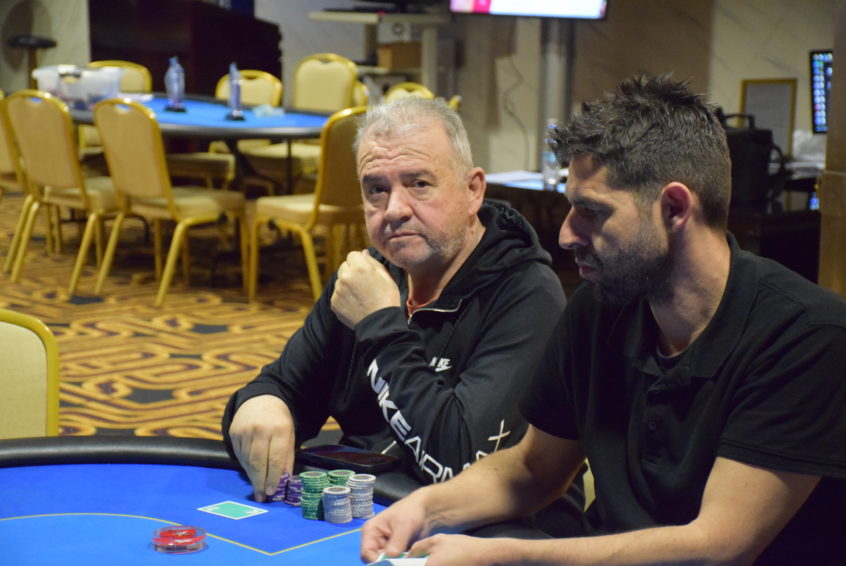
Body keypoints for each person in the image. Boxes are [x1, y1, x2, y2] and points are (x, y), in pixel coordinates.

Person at [360, 75, 846, 565]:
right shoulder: (600, 307)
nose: (566, 234)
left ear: (675, 208)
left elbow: (717, 547)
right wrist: (423, 508)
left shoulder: (807, 336)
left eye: (591, 212)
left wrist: (507, 557)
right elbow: (531, 469)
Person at [222, 97, 568, 503]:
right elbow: (284, 385)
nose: (394, 210)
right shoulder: (367, 276)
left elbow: (458, 468)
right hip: (370, 509)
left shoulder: (527, 294)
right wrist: (261, 403)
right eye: (377, 190)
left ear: (472, 190)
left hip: (492, 528)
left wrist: (381, 325)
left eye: (419, 184)